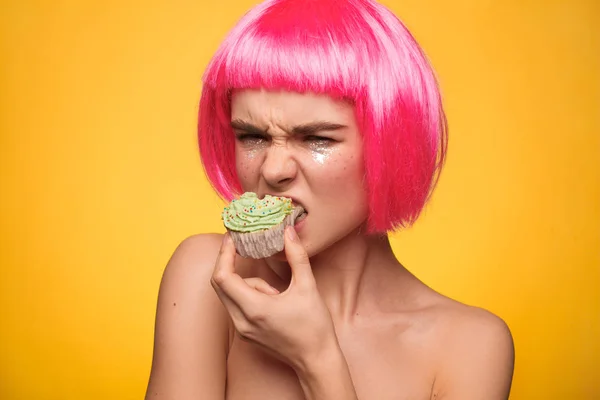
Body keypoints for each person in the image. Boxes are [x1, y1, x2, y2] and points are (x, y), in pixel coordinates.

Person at [145, 0, 515, 398]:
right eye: (252, 136)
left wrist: (318, 359)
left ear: (389, 145)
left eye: (317, 139)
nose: (272, 170)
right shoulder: (209, 279)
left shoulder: (469, 347)